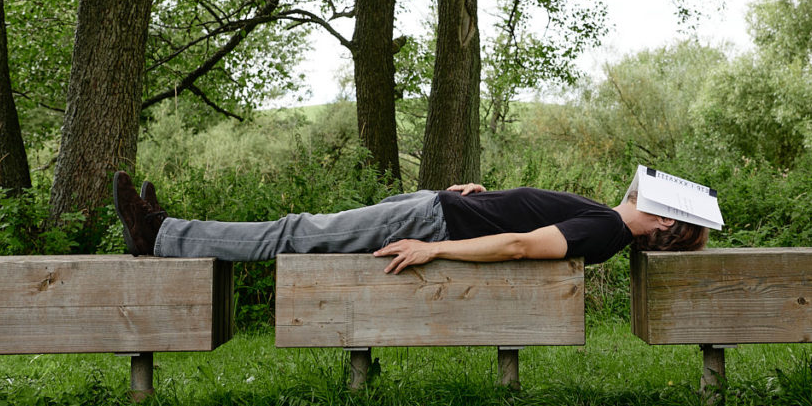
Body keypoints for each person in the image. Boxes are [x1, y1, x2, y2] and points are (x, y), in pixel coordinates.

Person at [112, 171, 708, 274]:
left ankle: (160, 235)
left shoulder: (606, 231)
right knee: (300, 227)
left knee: (296, 231)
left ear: (663, 222)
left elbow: (523, 245)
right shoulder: (604, 216)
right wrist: (479, 195)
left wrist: (438, 249)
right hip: (438, 210)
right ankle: (168, 231)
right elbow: (522, 213)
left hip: (432, 224)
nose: (648, 183)